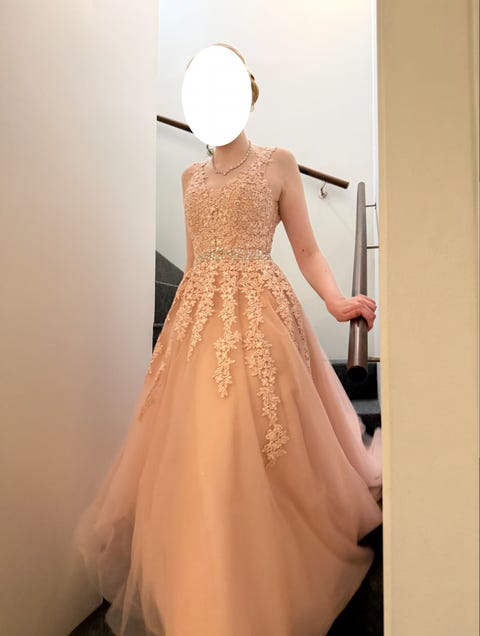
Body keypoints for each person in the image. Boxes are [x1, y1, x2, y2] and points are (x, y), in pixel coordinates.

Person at [72, 43, 382, 636]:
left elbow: (307, 250)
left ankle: (257, 573)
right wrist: (180, 332)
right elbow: (194, 263)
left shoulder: (279, 163)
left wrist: (335, 301)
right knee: (202, 448)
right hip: (198, 321)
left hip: (261, 319)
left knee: (252, 443)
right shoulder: (189, 177)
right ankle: (204, 582)